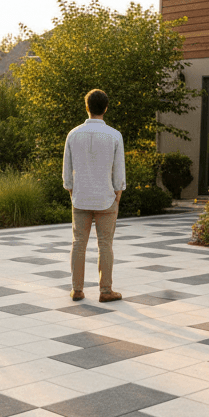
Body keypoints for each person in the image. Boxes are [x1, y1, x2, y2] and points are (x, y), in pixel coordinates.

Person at [62, 88, 126, 302]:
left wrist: (72, 191)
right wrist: (117, 194)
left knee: (78, 243)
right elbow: (119, 171)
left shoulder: (73, 134)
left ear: (86, 106)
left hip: (80, 198)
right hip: (106, 198)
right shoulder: (115, 135)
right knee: (105, 244)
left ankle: (77, 290)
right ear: (106, 108)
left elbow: (66, 171)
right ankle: (106, 291)